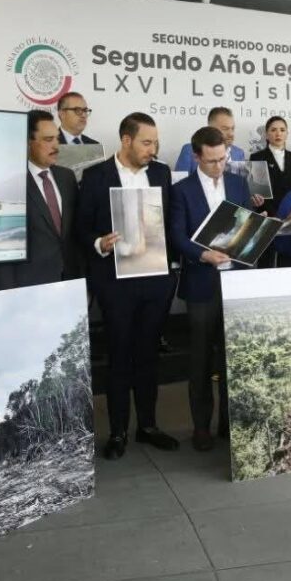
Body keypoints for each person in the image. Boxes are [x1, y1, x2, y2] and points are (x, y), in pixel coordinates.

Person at [77, 112, 179, 459]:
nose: (153, 149)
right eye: (146, 143)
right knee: (119, 356)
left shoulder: (162, 173)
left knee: (148, 355)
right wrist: (99, 243)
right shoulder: (96, 176)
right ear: (126, 140)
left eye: (155, 143)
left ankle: (148, 426)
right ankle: (118, 431)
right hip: (115, 283)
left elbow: (169, 222)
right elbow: (81, 228)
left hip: (155, 281)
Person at [168, 126, 254, 451]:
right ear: (196, 157)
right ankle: (201, 427)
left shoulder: (238, 183)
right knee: (201, 360)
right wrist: (203, 254)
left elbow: (246, 226)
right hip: (201, 283)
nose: (219, 167)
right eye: (212, 161)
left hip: (235, 281)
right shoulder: (182, 190)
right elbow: (176, 236)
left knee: (232, 357)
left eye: (223, 159)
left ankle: (229, 424)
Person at [0, 110, 78, 290]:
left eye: (57, 138)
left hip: (70, 282)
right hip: (29, 288)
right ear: (28, 143)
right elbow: (1, 250)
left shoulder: (67, 177)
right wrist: (7, 294)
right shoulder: (11, 184)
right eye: (48, 139)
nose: (56, 146)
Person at [249, 115, 291, 219]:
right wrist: (273, 215)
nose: (278, 134)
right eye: (273, 130)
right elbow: (258, 193)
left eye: (282, 130)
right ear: (266, 135)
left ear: (287, 134)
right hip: (267, 216)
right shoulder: (257, 157)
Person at [173, 106, 245, 171]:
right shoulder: (189, 151)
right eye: (225, 129)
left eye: (232, 128)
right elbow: (181, 181)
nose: (231, 134)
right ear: (210, 128)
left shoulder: (239, 153)